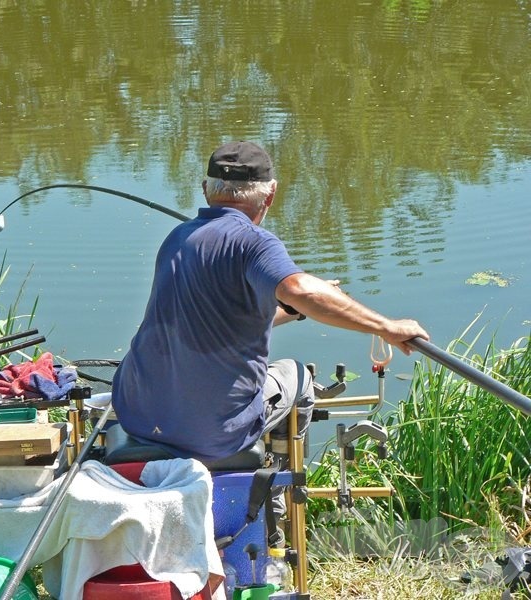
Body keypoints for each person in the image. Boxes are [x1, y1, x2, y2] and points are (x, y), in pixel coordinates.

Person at [111, 140, 429, 533]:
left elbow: (224, 321)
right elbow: (304, 290)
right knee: (298, 376)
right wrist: (387, 327)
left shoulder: (178, 239)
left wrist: (292, 313)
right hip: (210, 435)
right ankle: (275, 515)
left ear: (205, 188)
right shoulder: (254, 243)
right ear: (271, 194)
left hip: (138, 413)